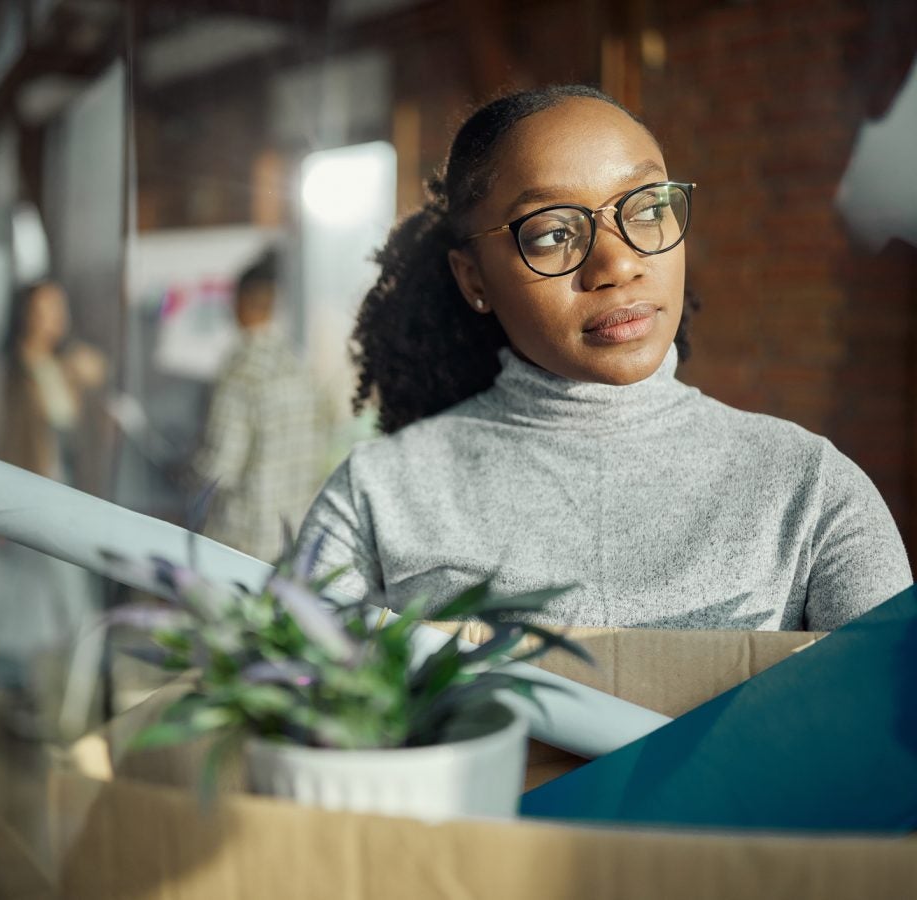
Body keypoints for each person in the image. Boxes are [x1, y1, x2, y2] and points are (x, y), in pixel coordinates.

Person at [297, 84, 912, 632]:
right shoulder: (376, 497)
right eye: (552, 232)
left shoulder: (809, 492)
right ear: (473, 278)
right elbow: (298, 728)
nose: (618, 264)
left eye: (647, 209)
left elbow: (886, 741)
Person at [0, 279, 106, 739]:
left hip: (62, 491)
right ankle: (18, 691)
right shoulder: (7, 372)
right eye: (45, 309)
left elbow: (80, 431)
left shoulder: (63, 367)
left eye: (59, 309)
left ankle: (66, 692)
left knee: (65, 596)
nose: (53, 319)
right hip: (22, 493)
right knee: (16, 595)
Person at [192, 250, 328, 562]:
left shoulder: (239, 372)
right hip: (294, 541)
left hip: (243, 546)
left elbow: (219, 470)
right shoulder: (298, 366)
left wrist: (187, 472)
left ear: (239, 303)